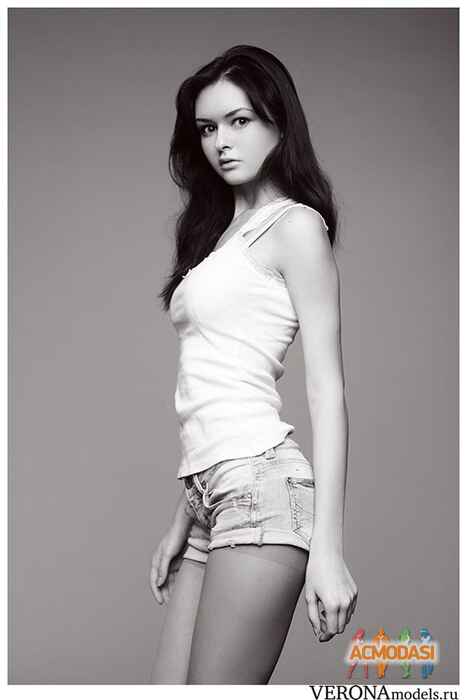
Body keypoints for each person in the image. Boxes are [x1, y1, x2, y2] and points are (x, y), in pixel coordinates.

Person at [149, 44, 357, 685]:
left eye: (239, 121)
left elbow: (326, 391)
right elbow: (216, 379)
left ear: (279, 122)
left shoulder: (295, 227)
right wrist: (184, 513)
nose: (220, 141)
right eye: (207, 127)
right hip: (209, 497)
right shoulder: (218, 236)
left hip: (261, 494)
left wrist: (328, 549)